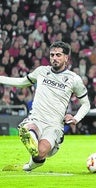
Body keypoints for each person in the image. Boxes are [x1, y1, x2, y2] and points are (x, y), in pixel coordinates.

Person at [0, 41, 90, 171]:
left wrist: (76, 118)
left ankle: (29, 165)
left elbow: (86, 104)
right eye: (52, 55)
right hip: (36, 119)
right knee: (28, 130)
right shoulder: (41, 71)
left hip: (54, 125)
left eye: (58, 55)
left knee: (40, 153)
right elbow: (21, 82)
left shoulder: (73, 79)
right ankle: (29, 132)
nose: (54, 58)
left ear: (66, 57)